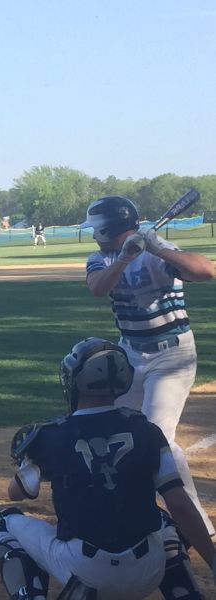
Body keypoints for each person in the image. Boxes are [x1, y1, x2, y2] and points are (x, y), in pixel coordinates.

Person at [0, 337, 216, 600]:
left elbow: (16, 493)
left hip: (87, 574)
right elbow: (181, 505)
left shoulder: (49, 436)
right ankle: (185, 594)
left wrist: (29, 464)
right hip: (148, 571)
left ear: (77, 382)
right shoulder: (147, 430)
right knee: (164, 520)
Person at [80, 195, 216, 536]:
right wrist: (125, 258)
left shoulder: (159, 253)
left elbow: (207, 271)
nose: (93, 235)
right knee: (118, 429)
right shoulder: (99, 258)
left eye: (96, 228)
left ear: (107, 227)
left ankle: (196, 523)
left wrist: (156, 248)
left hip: (172, 356)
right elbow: (98, 288)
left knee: (158, 436)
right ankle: (126, 506)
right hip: (131, 355)